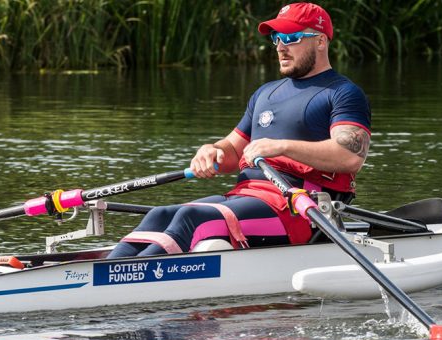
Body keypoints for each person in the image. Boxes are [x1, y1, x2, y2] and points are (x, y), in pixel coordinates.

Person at [106, 2, 371, 258]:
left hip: (301, 207)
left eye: (291, 38)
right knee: (159, 214)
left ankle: (119, 281)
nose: (280, 47)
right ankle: (105, 270)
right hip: (247, 195)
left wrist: (282, 146)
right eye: (277, 38)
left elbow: (349, 157)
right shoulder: (265, 93)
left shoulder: (343, 93)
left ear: (321, 41)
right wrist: (212, 151)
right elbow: (233, 150)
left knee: (193, 219)